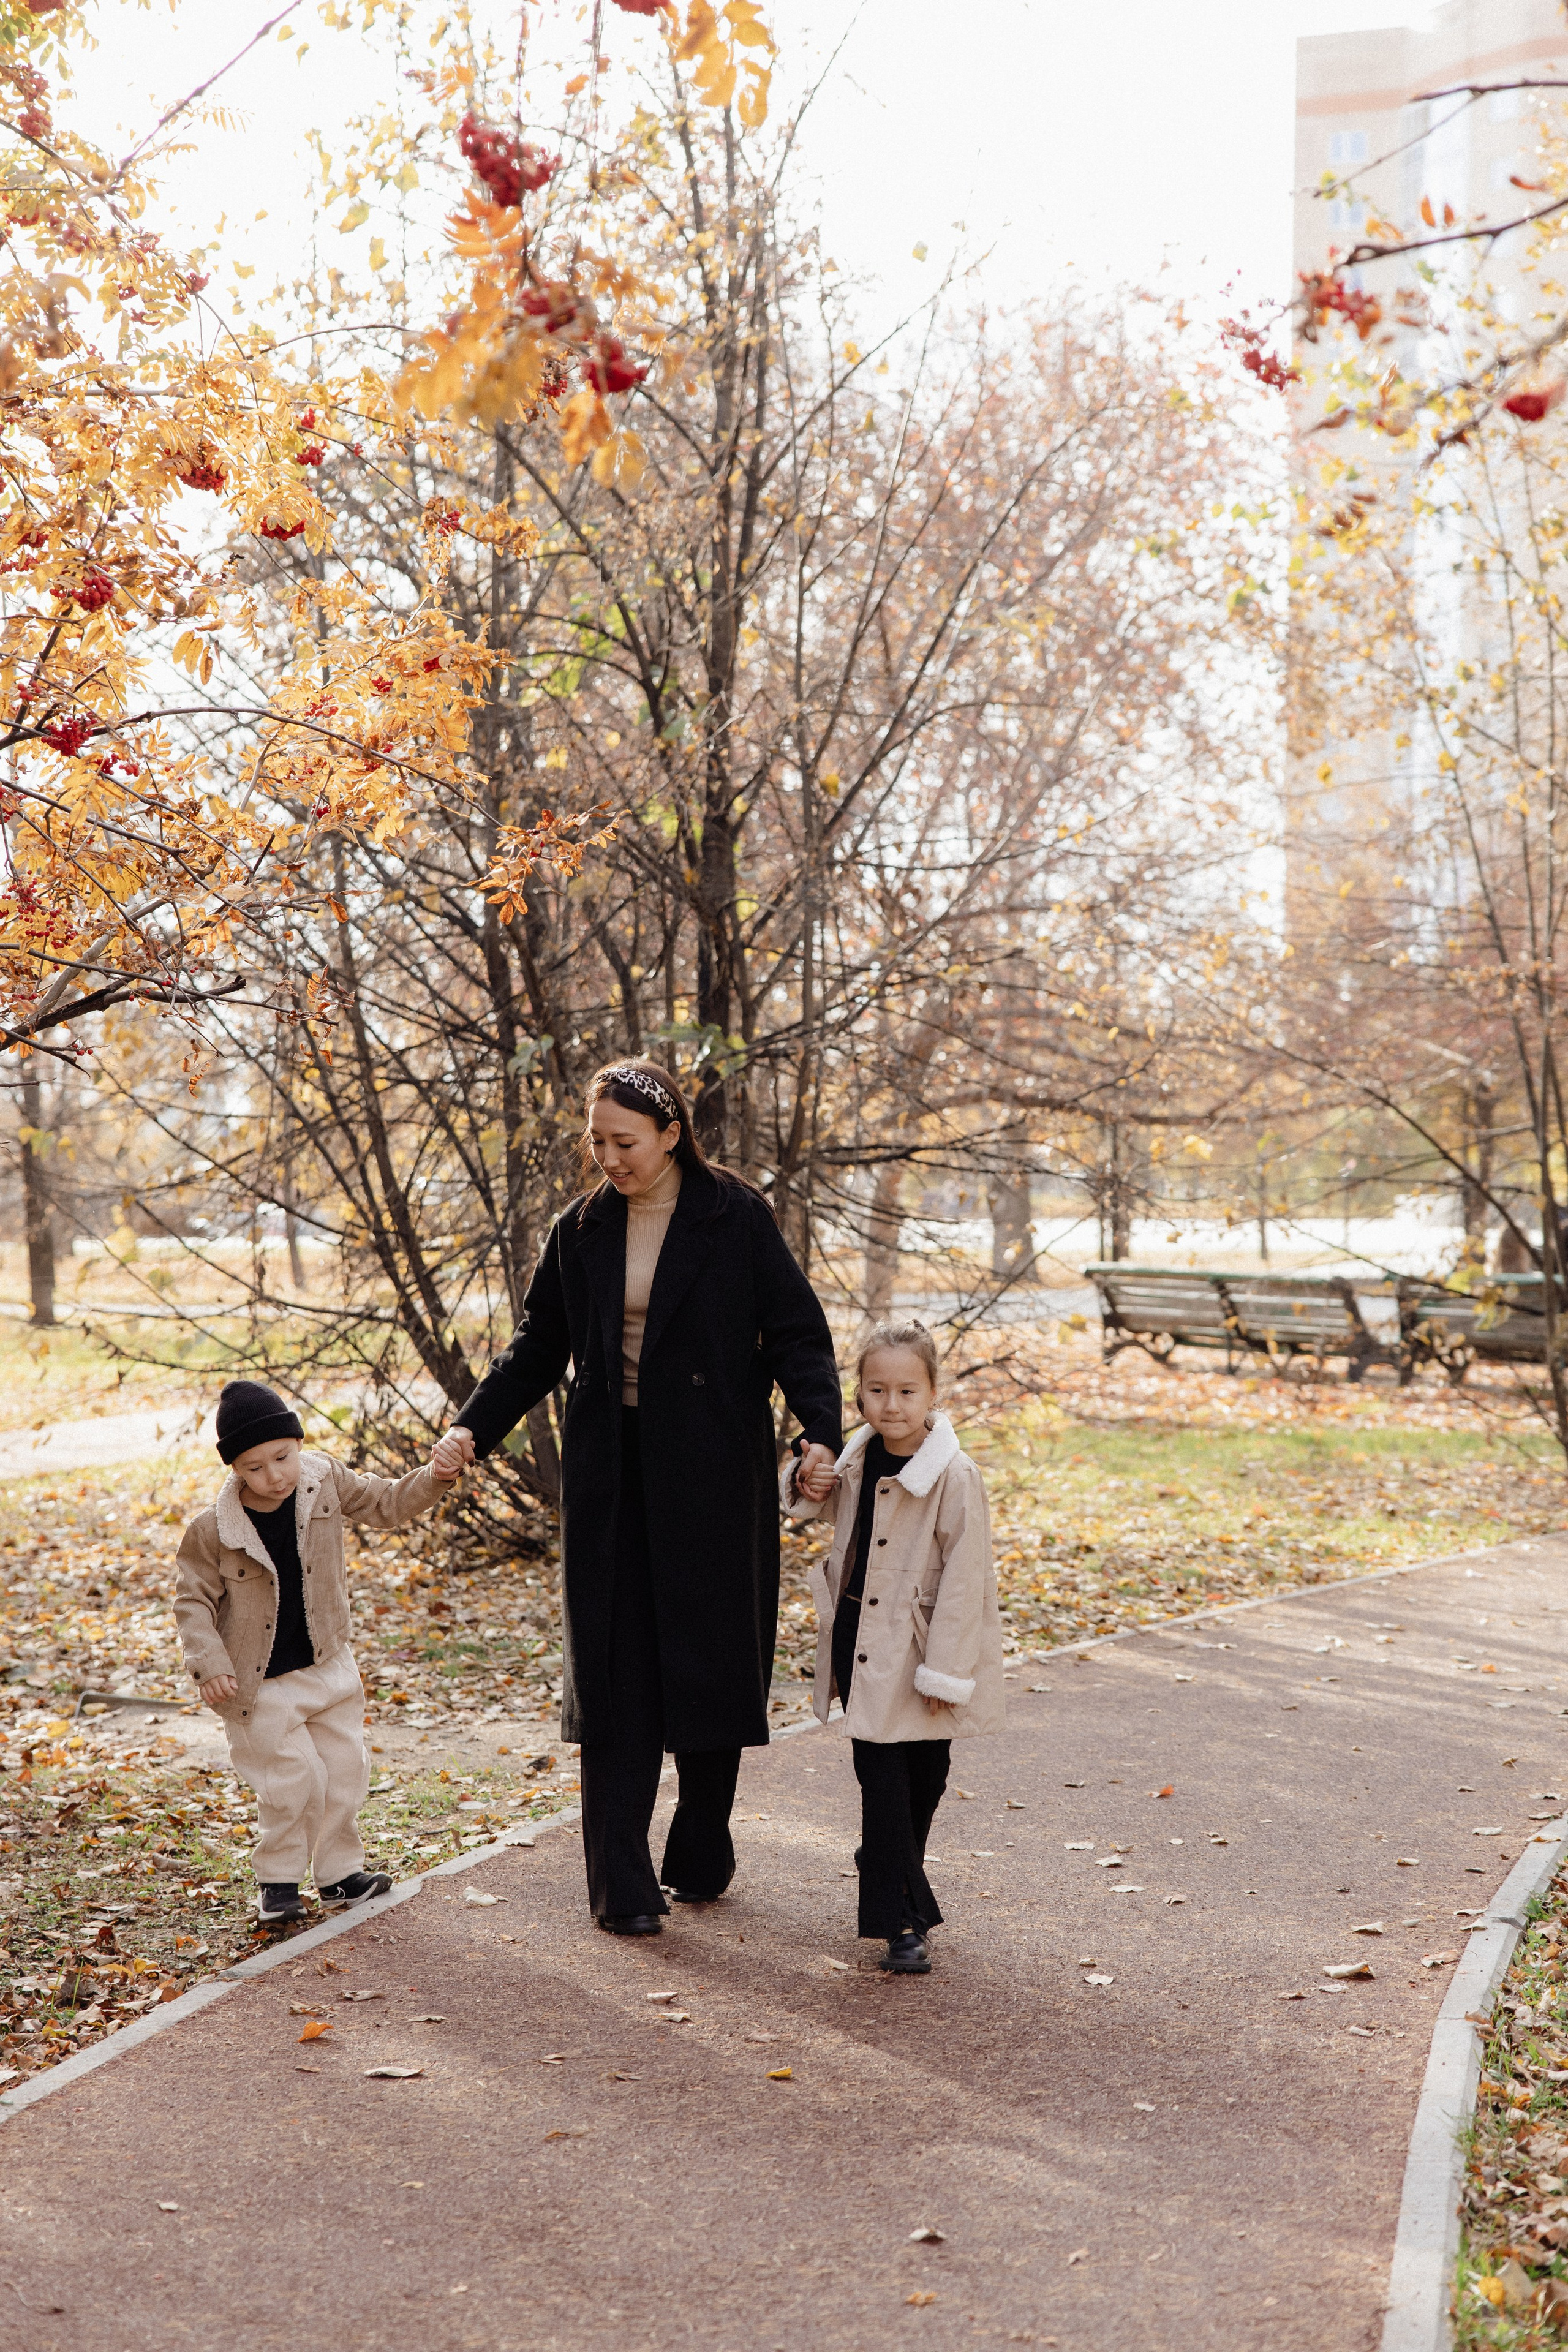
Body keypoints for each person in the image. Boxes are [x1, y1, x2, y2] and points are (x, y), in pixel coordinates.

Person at [439, 1060, 842, 1937]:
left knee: (708, 1660)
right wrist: (473, 1428)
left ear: (670, 1134)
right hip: (610, 1474)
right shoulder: (580, 1228)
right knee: (615, 1673)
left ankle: (700, 1846)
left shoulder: (735, 1217)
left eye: (625, 1142)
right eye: (597, 1141)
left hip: (712, 1470)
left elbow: (796, 1333)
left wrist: (820, 1429)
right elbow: (538, 1346)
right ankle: (620, 1884)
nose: (609, 1158)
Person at [173, 1378, 467, 1923]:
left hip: (329, 1664)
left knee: (342, 1769)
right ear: (234, 1469)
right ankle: (278, 1882)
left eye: (282, 1456)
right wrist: (209, 1665)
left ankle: (338, 1876)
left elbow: (386, 1502)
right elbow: (193, 1603)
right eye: (254, 1467)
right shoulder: (213, 1531)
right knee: (292, 1781)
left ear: (298, 1444)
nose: (274, 1475)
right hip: (259, 1682)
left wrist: (436, 1476)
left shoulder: (324, 1479)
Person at [783, 1319, 1004, 1974]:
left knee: (924, 1779)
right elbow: (817, 1506)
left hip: (923, 1646)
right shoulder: (855, 1461)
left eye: (907, 1391)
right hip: (863, 1640)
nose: (892, 1405)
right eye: (877, 1390)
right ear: (859, 1397)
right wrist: (805, 1478)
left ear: (933, 1393)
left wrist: (945, 1672)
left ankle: (886, 1862)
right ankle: (899, 1923)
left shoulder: (954, 1476)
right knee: (879, 1779)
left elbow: (967, 1583)